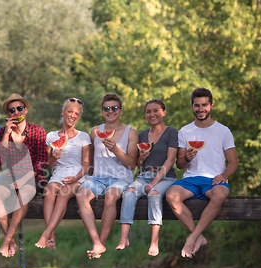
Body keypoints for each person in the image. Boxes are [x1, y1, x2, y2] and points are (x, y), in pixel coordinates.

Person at [165, 88, 238, 258]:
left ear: (211, 106)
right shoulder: (184, 131)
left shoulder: (223, 131)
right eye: (197, 105)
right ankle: (198, 236)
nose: (201, 108)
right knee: (171, 195)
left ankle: (191, 238)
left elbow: (234, 163)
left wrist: (224, 176)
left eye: (204, 105)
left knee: (219, 195)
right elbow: (180, 165)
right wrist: (187, 158)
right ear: (192, 107)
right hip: (190, 179)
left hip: (214, 180)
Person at [75, 93, 138, 259]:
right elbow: (91, 160)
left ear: (121, 111)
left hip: (122, 178)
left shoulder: (131, 132)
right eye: (107, 108)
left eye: (115, 108)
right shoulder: (95, 131)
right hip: (97, 178)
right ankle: (96, 241)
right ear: (102, 112)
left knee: (111, 197)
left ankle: (100, 244)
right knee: (81, 196)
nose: (111, 111)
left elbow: (132, 164)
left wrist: (116, 150)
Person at [117, 99, 178, 256]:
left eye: (156, 110)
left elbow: (171, 160)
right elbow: (138, 163)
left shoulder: (171, 132)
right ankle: (124, 237)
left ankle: (154, 241)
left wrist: (154, 182)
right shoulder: (142, 134)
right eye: (148, 111)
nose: (152, 114)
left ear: (164, 112)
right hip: (144, 175)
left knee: (154, 194)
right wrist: (142, 157)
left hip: (165, 177)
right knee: (129, 192)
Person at [0, 93, 47, 257]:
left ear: (26, 109)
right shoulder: (2, 133)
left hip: (32, 177)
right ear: (8, 114)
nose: (16, 112)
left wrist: (23, 179)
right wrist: (7, 135)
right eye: (11, 110)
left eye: (19, 108)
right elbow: (1, 162)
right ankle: (11, 241)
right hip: (10, 177)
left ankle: (7, 240)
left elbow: (41, 163)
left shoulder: (38, 131)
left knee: (24, 194)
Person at [35, 98, 91, 250]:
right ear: (63, 112)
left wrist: (76, 177)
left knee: (64, 192)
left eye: (76, 113)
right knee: (48, 191)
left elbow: (86, 164)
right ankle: (52, 237)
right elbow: (48, 166)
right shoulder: (51, 137)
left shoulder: (83, 136)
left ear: (79, 117)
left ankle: (45, 234)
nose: (73, 115)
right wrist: (55, 157)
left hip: (78, 175)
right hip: (58, 174)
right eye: (70, 111)